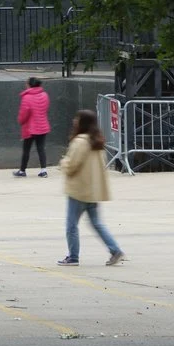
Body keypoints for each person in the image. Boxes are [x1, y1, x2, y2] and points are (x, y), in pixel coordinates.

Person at [60, 108, 124, 265]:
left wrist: (63, 162)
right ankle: (115, 250)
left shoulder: (80, 142)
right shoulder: (97, 142)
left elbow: (72, 165)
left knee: (71, 225)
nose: (74, 121)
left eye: (77, 119)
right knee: (96, 223)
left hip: (79, 190)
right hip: (92, 191)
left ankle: (73, 257)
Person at [16, 78, 52, 176]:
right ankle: (43, 170)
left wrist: (20, 121)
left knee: (26, 150)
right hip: (43, 126)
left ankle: (22, 171)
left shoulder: (26, 97)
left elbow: (24, 113)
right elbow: (46, 108)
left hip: (30, 128)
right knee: (41, 148)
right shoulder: (45, 95)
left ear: (29, 85)